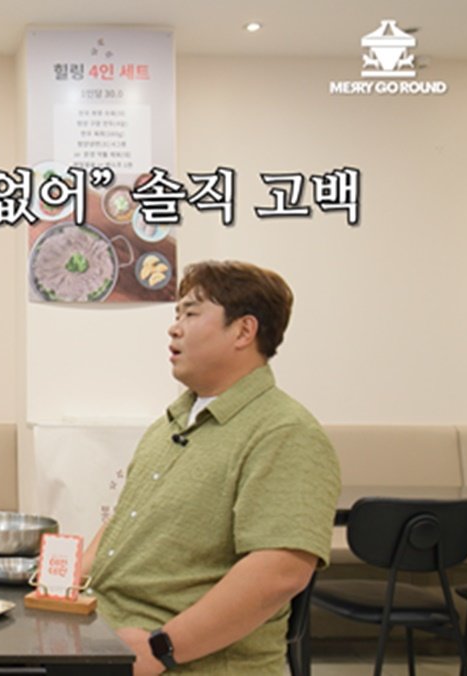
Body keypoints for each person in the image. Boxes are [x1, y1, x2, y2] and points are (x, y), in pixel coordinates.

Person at [83, 261, 340, 674]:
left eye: (191, 313)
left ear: (243, 331)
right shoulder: (171, 423)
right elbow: (123, 521)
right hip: (105, 635)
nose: (174, 328)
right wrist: (61, 583)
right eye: (176, 314)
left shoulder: (285, 431)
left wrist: (162, 649)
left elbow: (281, 571)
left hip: (183, 661)